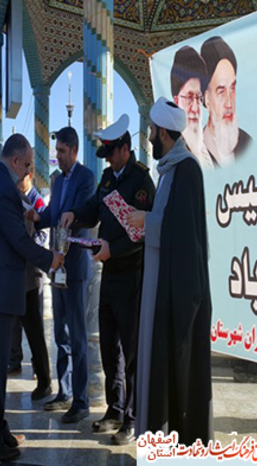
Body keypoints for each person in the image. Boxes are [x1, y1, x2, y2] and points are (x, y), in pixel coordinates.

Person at [60, 114, 156, 445]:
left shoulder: (141, 181)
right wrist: (75, 215)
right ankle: (114, 409)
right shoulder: (107, 179)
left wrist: (113, 249)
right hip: (110, 272)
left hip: (132, 274)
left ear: (125, 149)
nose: (109, 159)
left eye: (112, 153)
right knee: (109, 346)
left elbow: (144, 234)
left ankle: (132, 417)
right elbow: (93, 209)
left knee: (131, 350)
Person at [0, 133, 63, 462]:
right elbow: (18, 241)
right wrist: (50, 260)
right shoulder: (4, 188)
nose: (28, 171)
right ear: (14, 160)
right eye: (26, 164)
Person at [128, 97, 213, 445]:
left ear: (163, 132)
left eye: (151, 130)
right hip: (160, 283)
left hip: (177, 292)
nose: (148, 135)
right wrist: (145, 223)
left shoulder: (187, 170)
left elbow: (185, 233)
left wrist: (148, 221)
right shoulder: (169, 170)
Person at [27, 126, 96, 421]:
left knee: (78, 337)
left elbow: (83, 213)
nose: (59, 156)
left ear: (75, 151)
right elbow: (54, 213)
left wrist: (73, 215)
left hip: (76, 267)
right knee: (61, 333)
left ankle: (81, 401)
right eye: (56, 151)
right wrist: (37, 217)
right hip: (57, 266)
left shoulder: (86, 178)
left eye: (63, 151)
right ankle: (64, 391)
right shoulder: (56, 180)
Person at [8, 172, 48, 375]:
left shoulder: (37, 201)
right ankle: (14, 358)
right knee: (14, 321)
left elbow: (43, 234)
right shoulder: (14, 199)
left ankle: (37, 366)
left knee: (34, 322)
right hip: (16, 271)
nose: (17, 182)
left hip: (33, 270)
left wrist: (28, 245)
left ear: (29, 176)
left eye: (20, 178)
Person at [201, 36, 252, 167]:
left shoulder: (247, 144)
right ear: (207, 98)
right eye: (221, 92)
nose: (229, 104)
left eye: (232, 89)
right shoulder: (195, 154)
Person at [171, 45, 213, 169]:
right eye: (189, 98)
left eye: (198, 98)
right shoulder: (171, 156)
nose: (195, 108)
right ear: (176, 101)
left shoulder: (207, 155)